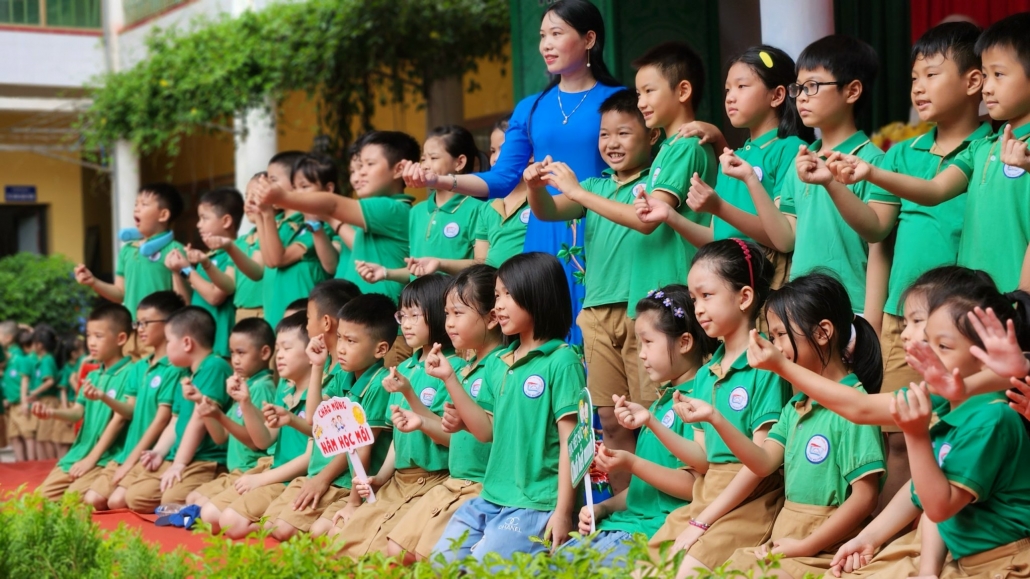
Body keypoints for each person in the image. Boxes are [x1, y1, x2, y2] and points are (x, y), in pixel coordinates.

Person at [402, 0, 625, 345]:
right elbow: (502, 178)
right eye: (541, 36)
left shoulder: (620, 100)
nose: (546, 44)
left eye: (556, 33)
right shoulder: (531, 107)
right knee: (547, 335)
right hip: (543, 228)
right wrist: (439, 180)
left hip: (602, 227)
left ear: (589, 38)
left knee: (599, 337)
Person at [842, 22, 989, 516]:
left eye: (930, 74)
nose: (918, 88)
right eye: (912, 79)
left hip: (959, 328)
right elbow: (878, 232)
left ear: (974, 81)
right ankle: (887, 541)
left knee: (958, 433)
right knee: (900, 439)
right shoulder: (902, 152)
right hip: (901, 321)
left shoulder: (987, 150)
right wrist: (873, 316)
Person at [677, 274, 885, 578]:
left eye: (779, 335)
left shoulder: (855, 406)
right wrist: (714, 418)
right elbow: (762, 463)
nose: (774, 347)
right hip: (784, 538)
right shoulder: (796, 406)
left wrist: (807, 546)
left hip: (827, 549)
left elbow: (865, 498)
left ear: (823, 333)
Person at [831, 12, 1030, 293]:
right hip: (970, 303)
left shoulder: (985, 142)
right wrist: (872, 173)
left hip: (1014, 306)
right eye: (986, 75)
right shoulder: (982, 148)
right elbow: (934, 191)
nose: (988, 86)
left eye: (997, 74)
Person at [629, 239, 791, 577]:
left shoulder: (766, 367)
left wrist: (702, 521)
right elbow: (703, 460)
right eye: (693, 299)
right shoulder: (706, 374)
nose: (698, 308)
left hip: (748, 502)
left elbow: (759, 464)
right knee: (643, 571)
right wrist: (652, 422)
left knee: (686, 571)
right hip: (707, 496)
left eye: (707, 296)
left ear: (744, 297)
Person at [526, 88, 661, 494]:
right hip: (598, 313)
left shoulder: (657, 182)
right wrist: (535, 186)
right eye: (605, 135)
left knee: (652, 412)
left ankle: (660, 504)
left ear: (652, 136)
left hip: (644, 312)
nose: (612, 144)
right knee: (610, 417)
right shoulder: (594, 186)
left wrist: (577, 191)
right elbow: (548, 211)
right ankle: (624, 506)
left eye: (623, 133)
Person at [431, 252, 586, 562]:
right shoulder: (499, 363)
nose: (498, 305)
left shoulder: (562, 360)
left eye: (508, 295)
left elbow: (574, 444)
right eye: (497, 295)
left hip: (537, 502)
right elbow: (486, 431)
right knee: (440, 562)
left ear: (538, 295)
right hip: (491, 495)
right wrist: (449, 378)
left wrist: (563, 512)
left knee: (485, 569)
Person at [562, 284, 717, 567]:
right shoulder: (661, 403)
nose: (641, 354)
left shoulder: (698, 403)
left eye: (648, 342)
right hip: (625, 524)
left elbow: (694, 487)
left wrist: (631, 463)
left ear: (684, 342)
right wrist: (603, 507)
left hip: (658, 533)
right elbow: (643, 493)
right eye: (639, 343)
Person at [890, 285, 1030, 578]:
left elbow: (939, 507)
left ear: (983, 356)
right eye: (927, 340)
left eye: (943, 345)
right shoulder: (954, 412)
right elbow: (935, 506)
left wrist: (915, 434)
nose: (922, 348)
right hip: (971, 562)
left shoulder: (990, 418)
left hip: (1006, 564)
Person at [659, 45, 813, 290]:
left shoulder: (791, 149)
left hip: (764, 277)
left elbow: (782, 239)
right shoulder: (733, 157)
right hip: (724, 275)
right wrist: (669, 215)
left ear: (777, 95)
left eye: (742, 87)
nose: (730, 97)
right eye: (728, 89)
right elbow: (714, 237)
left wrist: (719, 207)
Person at [333, 274, 461, 556]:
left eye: (416, 315)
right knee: (341, 542)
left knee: (389, 552)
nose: (406, 323)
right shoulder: (403, 370)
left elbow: (450, 435)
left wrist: (410, 395)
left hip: (434, 478)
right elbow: (398, 436)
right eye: (403, 314)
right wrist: (380, 476)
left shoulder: (454, 368)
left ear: (441, 316)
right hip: (399, 479)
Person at [385, 265, 503, 563]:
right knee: (395, 551)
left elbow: (486, 433)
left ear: (491, 318)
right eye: (447, 313)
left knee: (427, 560)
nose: (449, 322)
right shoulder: (463, 369)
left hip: (479, 485)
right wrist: (416, 407)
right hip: (455, 481)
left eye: (458, 313)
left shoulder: (501, 366)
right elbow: (452, 431)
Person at [255, 132, 420, 304]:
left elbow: (333, 205)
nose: (360, 173)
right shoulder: (372, 213)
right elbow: (332, 263)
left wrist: (282, 197)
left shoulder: (393, 208)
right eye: (358, 167)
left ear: (398, 169)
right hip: (360, 314)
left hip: (378, 319)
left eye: (369, 164)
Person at [256, 280, 361, 540]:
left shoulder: (348, 373)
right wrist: (316, 368)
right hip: (318, 472)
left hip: (340, 479)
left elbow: (352, 443)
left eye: (307, 318)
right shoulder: (327, 368)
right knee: (269, 525)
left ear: (325, 323)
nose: (305, 326)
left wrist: (322, 479)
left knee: (282, 529)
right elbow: (318, 426)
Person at [628, 41, 718, 323]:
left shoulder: (686, 147)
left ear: (683, 91)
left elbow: (647, 219)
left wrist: (580, 194)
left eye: (649, 91)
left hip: (673, 294)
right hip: (658, 295)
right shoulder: (669, 147)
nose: (640, 102)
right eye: (638, 93)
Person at [123, 307, 234, 513]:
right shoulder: (185, 373)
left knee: (171, 498)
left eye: (168, 341)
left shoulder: (214, 367)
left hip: (206, 459)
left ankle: (211, 492)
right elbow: (174, 421)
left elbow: (199, 420)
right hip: (180, 455)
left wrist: (179, 464)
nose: (166, 348)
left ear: (186, 343)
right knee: (136, 497)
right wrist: (159, 452)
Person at [304, 293, 397, 537]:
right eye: (340, 338)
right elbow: (314, 419)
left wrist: (353, 503)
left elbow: (363, 447)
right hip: (353, 482)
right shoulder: (345, 375)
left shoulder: (378, 384)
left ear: (381, 349)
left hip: (369, 487)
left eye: (351, 341)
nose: (341, 348)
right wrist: (317, 366)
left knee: (324, 534)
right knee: (317, 532)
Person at [215, 312, 314, 539]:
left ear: (312, 352)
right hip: (277, 473)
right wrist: (245, 402)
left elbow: (309, 458)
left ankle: (277, 523)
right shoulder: (285, 389)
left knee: (232, 523)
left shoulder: (319, 394)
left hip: (298, 478)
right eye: (278, 349)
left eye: (287, 349)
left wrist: (260, 480)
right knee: (214, 516)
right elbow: (264, 440)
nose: (279, 356)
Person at [88, 291, 188, 512]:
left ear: (170, 323)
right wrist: (104, 397)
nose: (139, 328)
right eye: (138, 323)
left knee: (116, 502)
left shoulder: (175, 369)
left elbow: (162, 420)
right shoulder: (139, 366)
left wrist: (131, 461)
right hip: (129, 451)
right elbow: (129, 410)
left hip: (150, 454)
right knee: (92, 500)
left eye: (146, 322)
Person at [34, 304, 134, 500]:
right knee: (40, 498)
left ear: (121, 338)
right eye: (88, 336)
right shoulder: (93, 375)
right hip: (80, 454)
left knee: (74, 500)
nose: (91, 343)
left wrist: (91, 459)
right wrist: (52, 412)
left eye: (99, 336)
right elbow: (77, 412)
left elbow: (120, 419)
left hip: (105, 458)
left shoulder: (132, 372)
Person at [187, 318, 277, 532]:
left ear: (264, 353)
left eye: (241, 353)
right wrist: (203, 405)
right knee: (192, 498)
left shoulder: (262, 388)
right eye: (232, 353)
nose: (235, 360)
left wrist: (220, 414)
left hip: (249, 470)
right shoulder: (245, 385)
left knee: (202, 509)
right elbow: (221, 437)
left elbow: (256, 443)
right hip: (234, 472)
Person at [362, 125, 485, 280]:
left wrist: (440, 264)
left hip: (455, 303)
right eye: (423, 159)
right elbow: (418, 271)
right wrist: (386, 273)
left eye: (433, 158)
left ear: (459, 162)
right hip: (418, 303)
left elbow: (482, 266)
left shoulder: (479, 208)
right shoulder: (417, 212)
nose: (425, 165)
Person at [75, 184, 189, 319]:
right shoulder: (127, 250)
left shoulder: (177, 250)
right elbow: (120, 293)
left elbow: (184, 302)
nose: (137, 208)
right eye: (136, 204)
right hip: (133, 329)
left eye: (144, 204)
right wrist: (93, 281)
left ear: (163, 215)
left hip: (164, 332)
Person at [166, 187, 244, 356]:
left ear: (226, 221)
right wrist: (177, 271)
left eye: (204, 218)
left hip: (220, 347)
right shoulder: (208, 258)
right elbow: (187, 307)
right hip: (200, 348)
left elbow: (215, 296)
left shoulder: (234, 254)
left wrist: (187, 269)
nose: (198, 224)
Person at [251, 151, 326, 327]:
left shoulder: (314, 221)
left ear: (294, 183)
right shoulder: (277, 222)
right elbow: (269, 262)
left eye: (273, 180)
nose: (267, 186)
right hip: (274, 317)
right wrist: (262, 214)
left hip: (302, 322)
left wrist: (267, 214)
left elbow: (278, 259)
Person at [204, 174, 266, 323]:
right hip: (241, 314)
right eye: (247, 195)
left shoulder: (275, 235)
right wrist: (205, 264)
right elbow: (230, 285)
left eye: (256, 195)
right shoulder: (240, 242)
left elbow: (257, 271)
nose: (249, 200)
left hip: (266, 312)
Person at [471, 116, 532, 268]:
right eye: (492, 151)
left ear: (530, 154)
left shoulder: (540, 198)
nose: (496, 158)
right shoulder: (487, 207)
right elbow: (481, 262)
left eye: (504, 149)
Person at [291, 153, 346, 278]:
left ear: (328, 188)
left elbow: (331, 266)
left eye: (304, 186)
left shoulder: (338, 221)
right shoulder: (294, 222)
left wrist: (315, 225)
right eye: (294, 187)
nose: (297, 193)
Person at [28, 324, 63, 460]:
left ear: (40, 345)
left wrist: (33, 392)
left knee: (47, 437)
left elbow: (49, 381)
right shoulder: (43, 359)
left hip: (49, 401)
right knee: (41, 437)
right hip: (43, 400)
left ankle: (49, 465)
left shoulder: (47, 359)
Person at [4, 327, 37, 461]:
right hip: (11, 406)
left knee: (28, 436)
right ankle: (21, 466)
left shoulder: (20, 358)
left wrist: (24, 402)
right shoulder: (9, 359)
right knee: (14, 436)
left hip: (21, 404)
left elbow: (25, 381)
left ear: (9, 337)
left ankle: (32, 467)